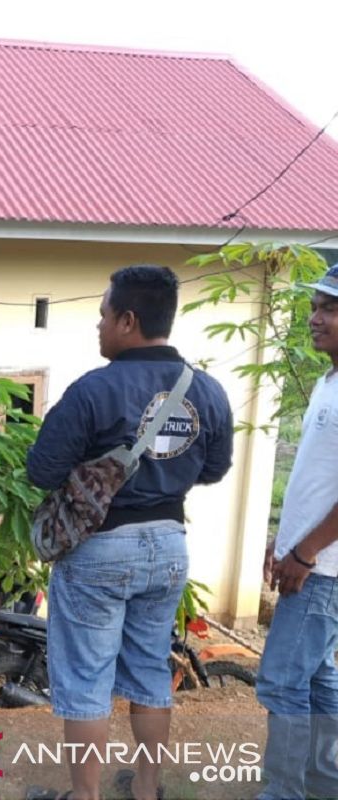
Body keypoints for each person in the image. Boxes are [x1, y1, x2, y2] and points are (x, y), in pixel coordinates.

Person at [26, 265, 234, 800]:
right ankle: (146, 790)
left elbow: (42, 472)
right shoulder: (207, 391)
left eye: (102, 315)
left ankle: (86, 796)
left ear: (128, 320)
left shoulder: (93, 390)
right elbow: (213, 470)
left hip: (100, 548)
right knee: (147, 671)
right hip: (168, 546)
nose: (98, 326)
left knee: (87, 679)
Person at [256, 264, 338, 800]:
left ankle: (283, 793)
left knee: (282, 682)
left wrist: (305, 554)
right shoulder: (329, 381)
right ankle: (326, 783)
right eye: (314, 306)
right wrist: (283, 543)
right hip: (312, 560)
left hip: (324, 569)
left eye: (329, 308)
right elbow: (315, 477)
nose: (314, 318)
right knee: (317, 679)